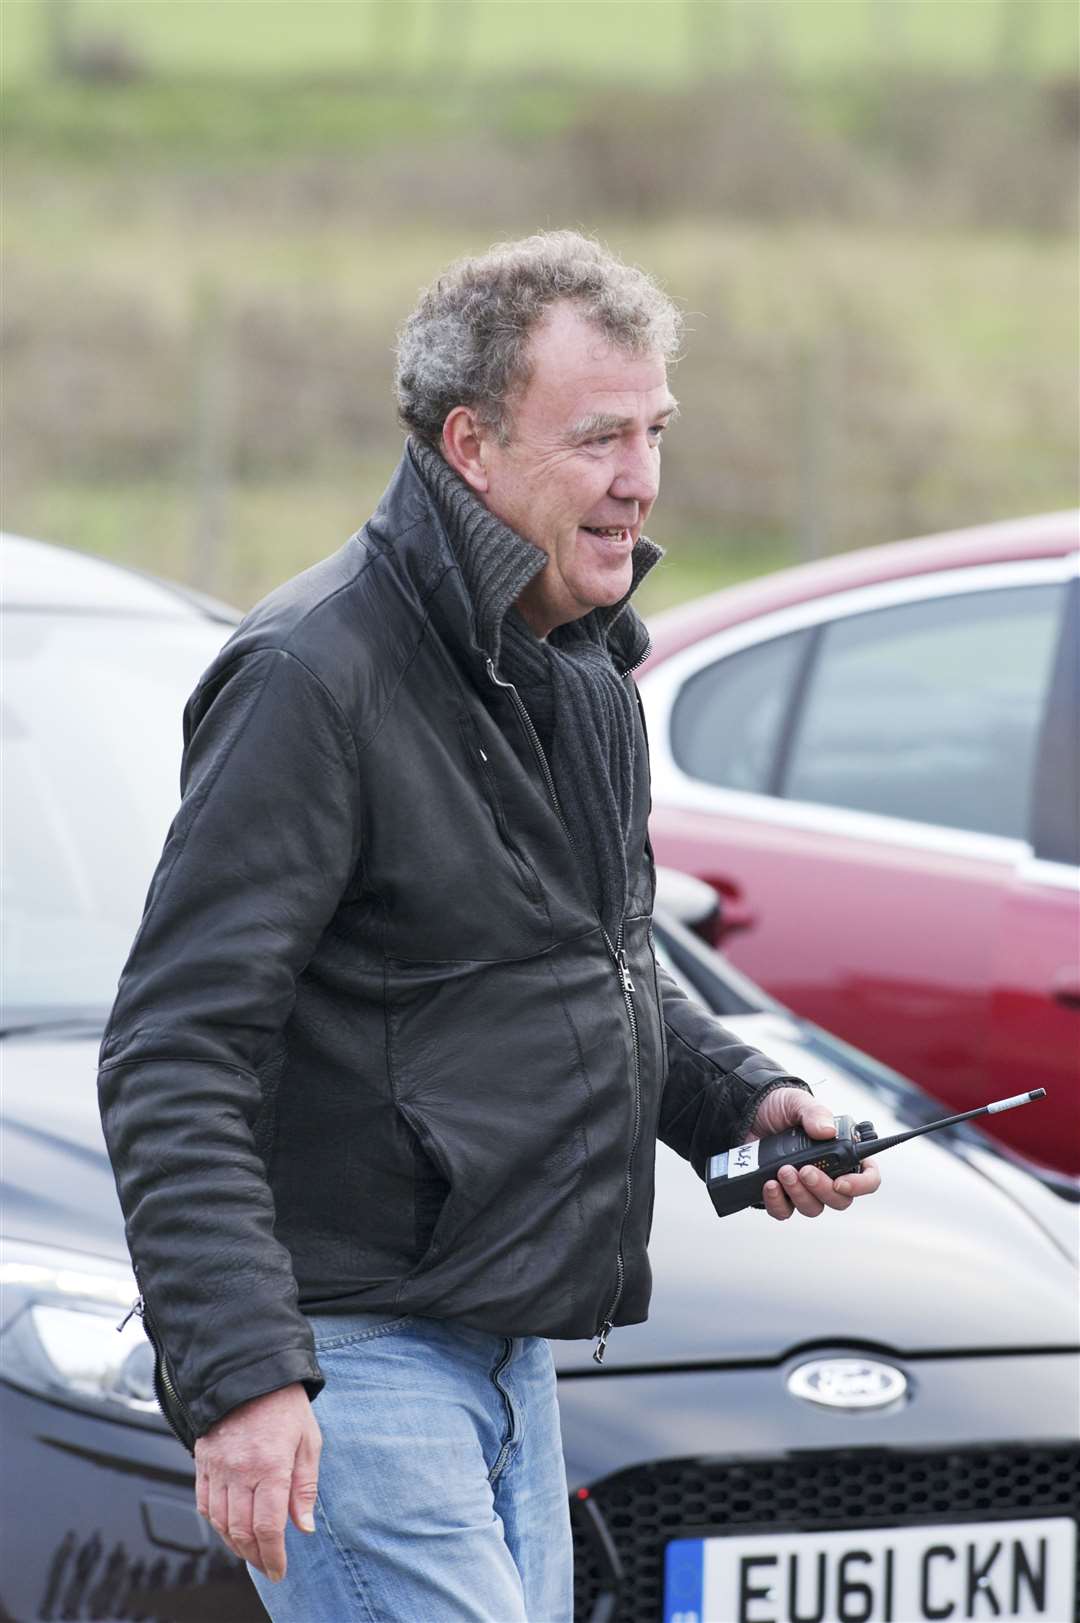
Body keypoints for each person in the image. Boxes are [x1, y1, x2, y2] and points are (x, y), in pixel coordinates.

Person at [98, 231, 880, 1623]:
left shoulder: (577, 669)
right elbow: (175, 1050)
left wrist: (738, 1101)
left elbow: (591, 964)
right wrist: (244, 1376)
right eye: (595, 437)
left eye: (654, 432)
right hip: (353, 1366)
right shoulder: (309, 674)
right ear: (471, 445)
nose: (641, 477)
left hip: (511, 1360)